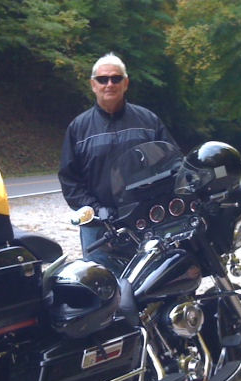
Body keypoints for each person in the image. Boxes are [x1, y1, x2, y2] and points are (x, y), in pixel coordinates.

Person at [59, 52, 177, 273]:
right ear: (93, 85)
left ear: (126, 83)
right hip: (99, 227)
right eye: (103, 79)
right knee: (104, 291)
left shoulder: (148, 121)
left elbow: (171, 165)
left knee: (152, 286)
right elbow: (70, 180)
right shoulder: (78, 128)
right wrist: (96, 210)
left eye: (116, 78)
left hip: (147, 222)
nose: (109, 84)